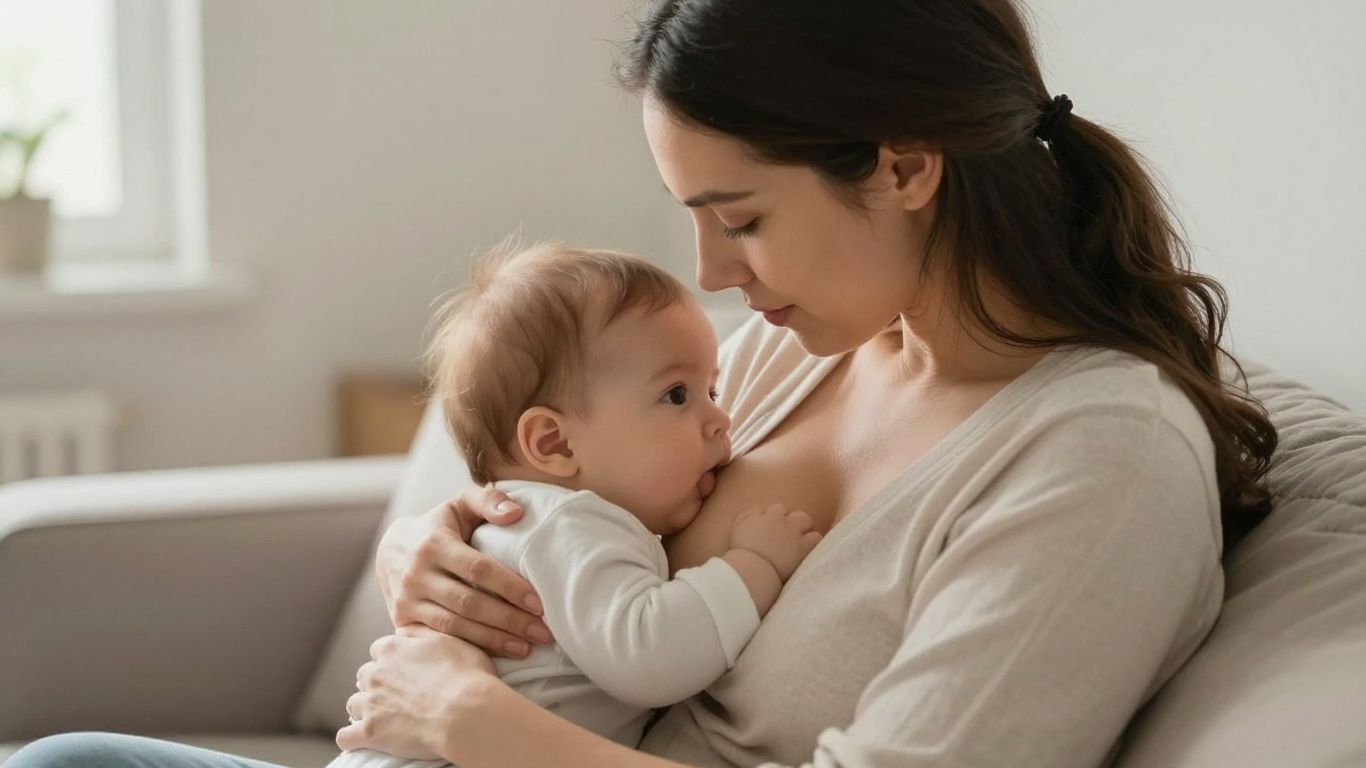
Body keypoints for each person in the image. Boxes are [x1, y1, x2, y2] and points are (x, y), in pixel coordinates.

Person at [5, 0, 1277, 766]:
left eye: (741, 218)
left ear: (905, 167)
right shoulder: (799, 349)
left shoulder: (1096, 462)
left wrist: (476, 723)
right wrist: (439, 551)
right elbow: (563, 503)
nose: (713, 272)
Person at [327, 241, 822, 768]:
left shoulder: (545, 525)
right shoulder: (568, 525)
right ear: (555, 444)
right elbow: (651, 655)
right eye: (677, 395)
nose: (720, 421)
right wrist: (753, 566)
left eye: (713, 392)